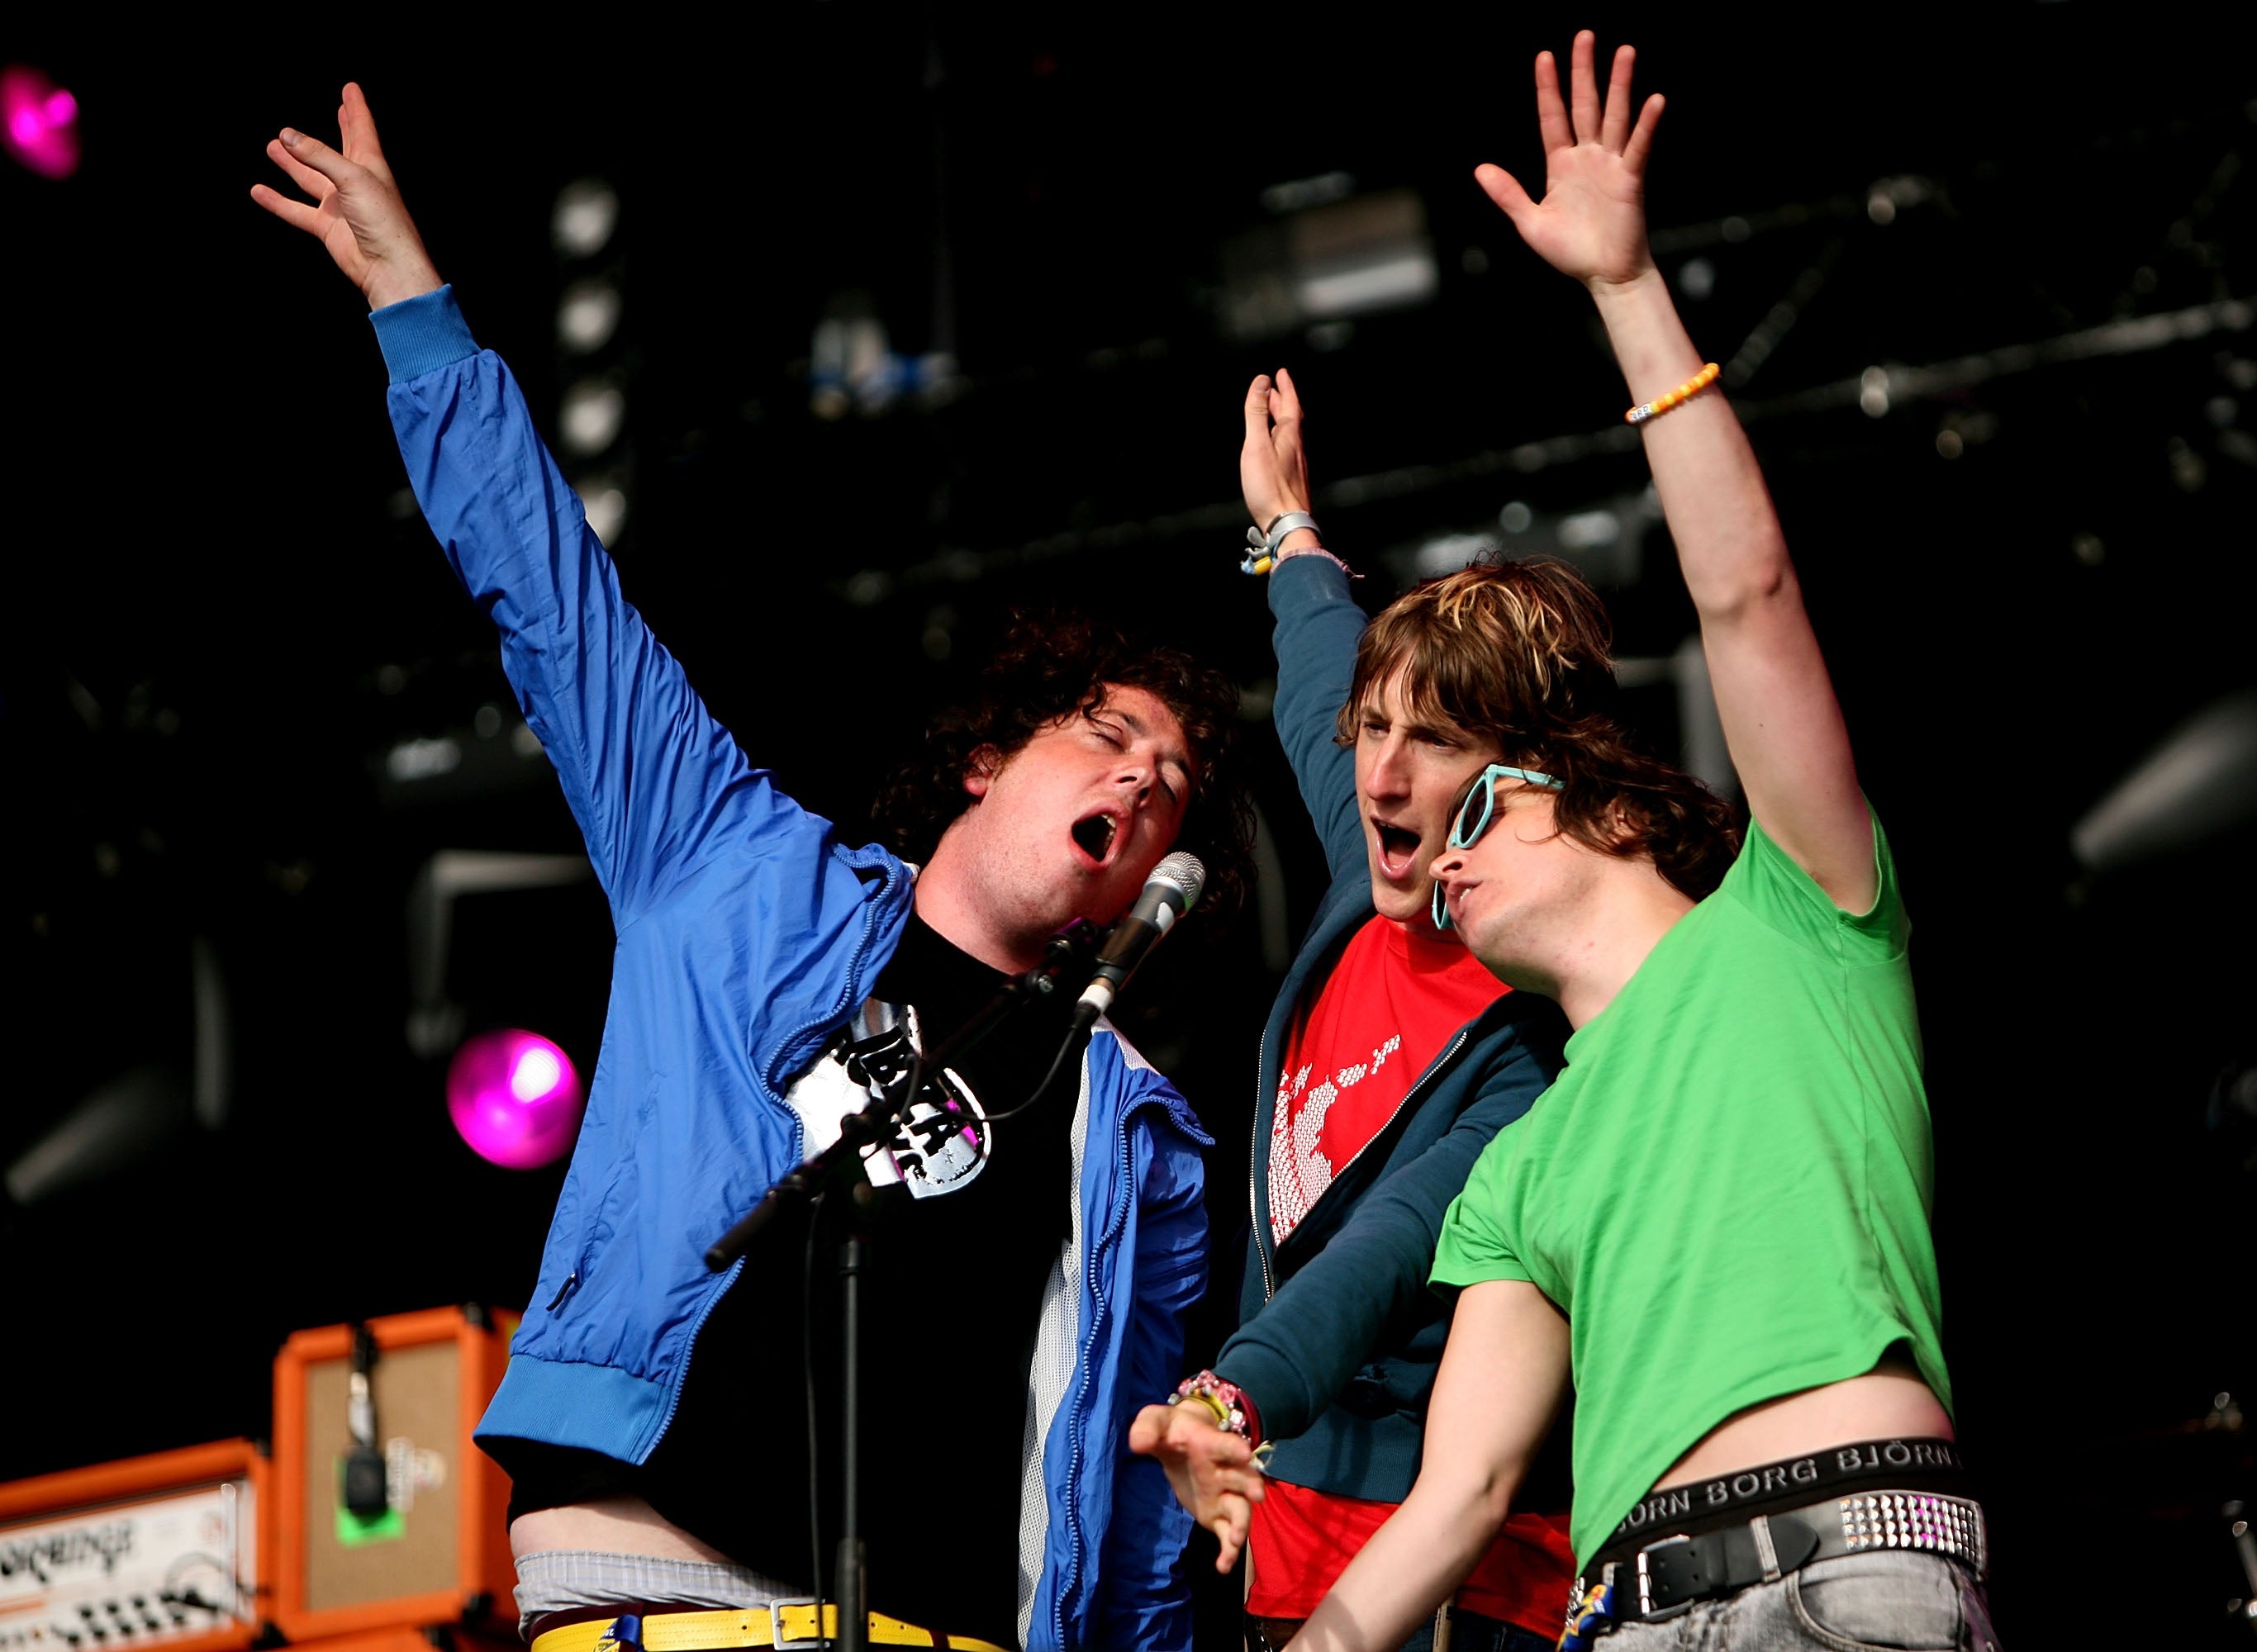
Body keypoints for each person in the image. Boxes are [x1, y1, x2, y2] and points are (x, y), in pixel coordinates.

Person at [252, 86, 1254, 1652]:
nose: (1141, 776)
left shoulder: (1134, 1135)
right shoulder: (731, 870)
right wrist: (413, 310)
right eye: (1105, 732)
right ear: (991, 759)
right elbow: (556, 603)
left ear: (1145, 885)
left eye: (1173, 784)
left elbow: (1127, 1501)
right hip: (660, 1588)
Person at [1277, 34, 1998, 1652]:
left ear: (1601, 798)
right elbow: (1454, 1504)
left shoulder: (1802, 917)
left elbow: (1746, 596)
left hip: (1852, 1561)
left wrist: (1623, 287)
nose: (1440, 859)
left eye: (1474, 805)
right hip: (1634, 1618)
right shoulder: (1513, 1168)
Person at [1124, 386, 1607, 1645]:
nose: (1379, 773)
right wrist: (1288, 532)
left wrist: (1233, 1395)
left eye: (1431, 741)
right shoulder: (1372, 874)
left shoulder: (1535, 1045)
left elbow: (1384, 1252)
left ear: (1520, 776)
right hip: (1285, 1525)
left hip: (1456, 1574)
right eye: (1374, 731)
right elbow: (1318, 677)